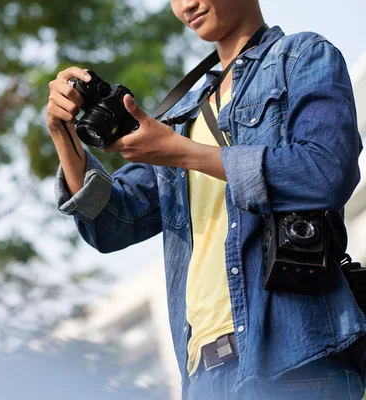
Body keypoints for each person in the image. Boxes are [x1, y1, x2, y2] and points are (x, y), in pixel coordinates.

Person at [46, 0, 365, 398]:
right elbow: (114, 224)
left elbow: (326, 171)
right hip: (204, 375)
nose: (187, 5)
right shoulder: (181, 114)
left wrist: (183, 152)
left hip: (295, 360)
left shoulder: (303, 57)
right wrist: (64, 134)